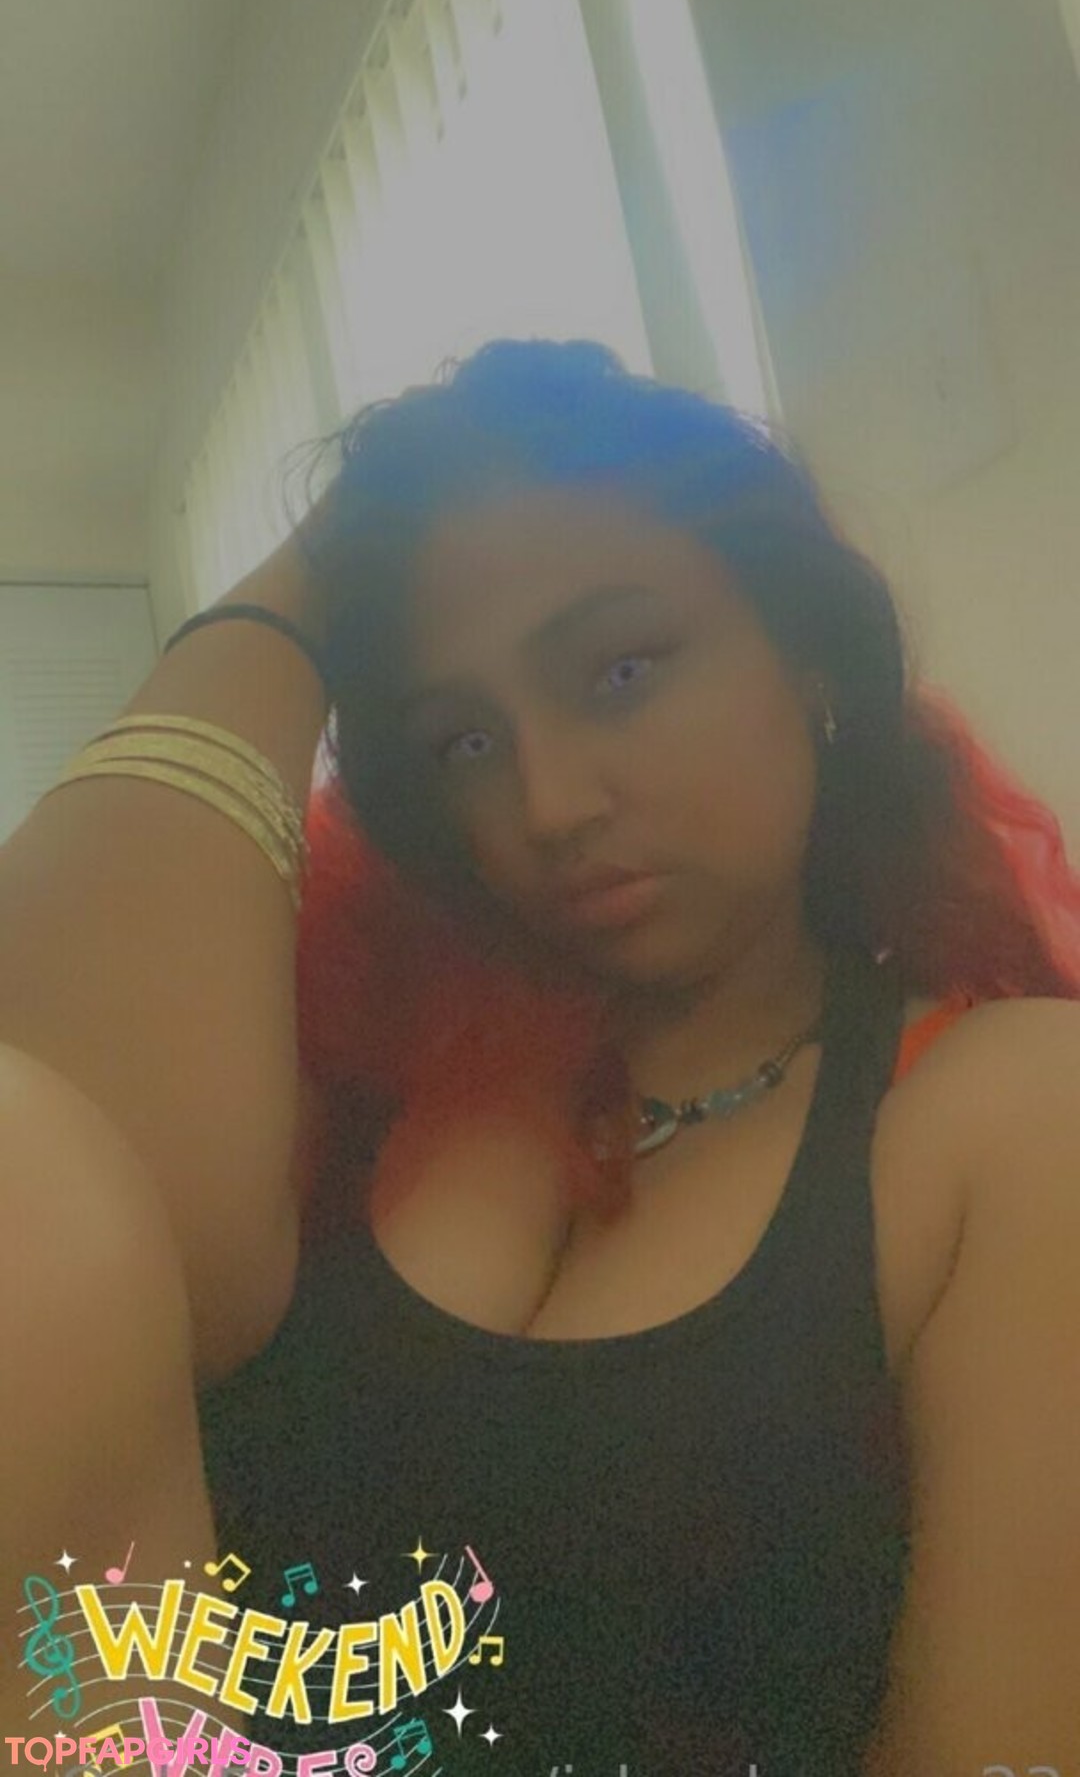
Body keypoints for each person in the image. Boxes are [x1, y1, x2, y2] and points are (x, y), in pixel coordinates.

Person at [1, 338, 1079, 1775]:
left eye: (621, 671)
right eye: (463, 741)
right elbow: (64, 1157)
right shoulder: (380, 1058)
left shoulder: (1006, 1112)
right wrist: (310, 584)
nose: (551, 801)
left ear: (810, 654)